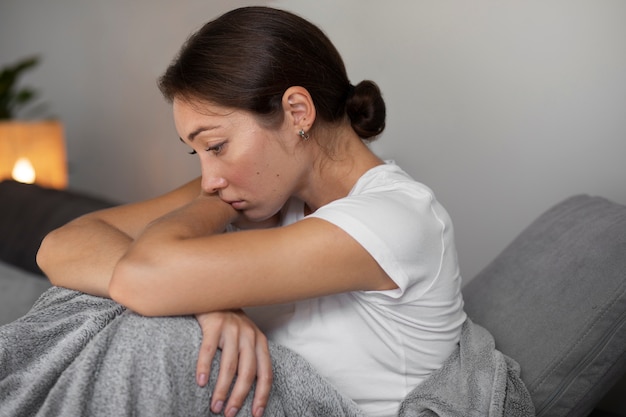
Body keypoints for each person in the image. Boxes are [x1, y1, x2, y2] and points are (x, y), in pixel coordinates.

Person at [36, 6, 466, 417]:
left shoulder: (394, 218)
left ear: (297, 112)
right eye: (197, 153)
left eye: (217, 146)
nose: (209, 180)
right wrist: (208, 304)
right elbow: (60, 246)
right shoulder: (269, 192)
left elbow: (143, 277)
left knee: (148, 334)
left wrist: (184, 289)